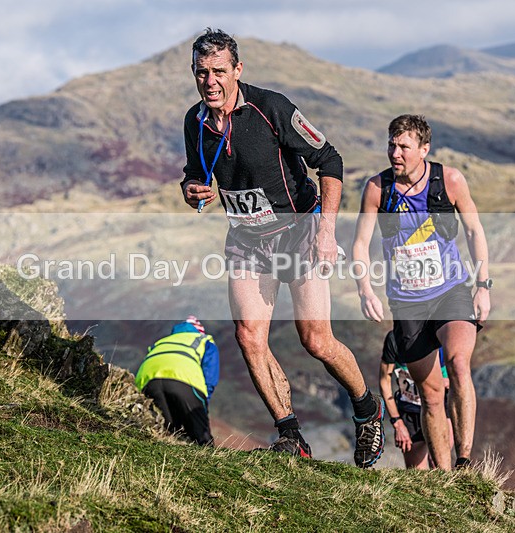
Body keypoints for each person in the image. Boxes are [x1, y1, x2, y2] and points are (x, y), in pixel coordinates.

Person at [180, 28, 383, 467]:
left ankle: (367, 409)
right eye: (201, 72)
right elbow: (194, 175)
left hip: (299, 231)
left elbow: (329, 160)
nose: (210, 81)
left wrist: (326, 231)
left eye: (219, 71)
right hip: (247, 240)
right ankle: (291, 435)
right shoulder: (194, 121)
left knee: (316, 340)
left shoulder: (271, 108)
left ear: (237, 70)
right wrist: (192, 189)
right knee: (249, 337)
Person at [352, 114, 490, 470]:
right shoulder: (377, 188)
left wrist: (483, 286)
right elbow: (361, 243)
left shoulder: (450, 181)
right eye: (391, 145)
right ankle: (443, 477)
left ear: (424, 149)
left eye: (404, 147)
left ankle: (464, 461)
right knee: (430, 395)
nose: (395, 153)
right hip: (407, 304)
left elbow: (474, 231)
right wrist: (365, 289)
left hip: (450, 291)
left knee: (457, 363)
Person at [135, 316, 219, 446]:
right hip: (183, 379)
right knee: (201, 437)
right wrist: (202, 404)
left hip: (149, 381)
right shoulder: (204, 340)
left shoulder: (162, 341)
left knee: (169, 431)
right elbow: (210, 376)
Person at [380, 331, 453, 469]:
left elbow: (457, 373)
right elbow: (384, 381)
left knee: (440, 466)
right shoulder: (394, 338)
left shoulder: (437, 334)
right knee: (417, 473)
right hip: (410, 413)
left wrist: (446, 381)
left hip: (439, 410)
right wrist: (397, 423)